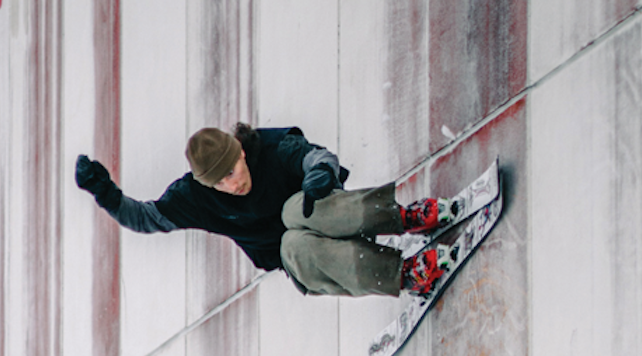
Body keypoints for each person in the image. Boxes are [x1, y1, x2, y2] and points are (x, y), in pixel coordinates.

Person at [75, 122, 459, 299]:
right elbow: (143, 218)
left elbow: (315, 156)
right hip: (308, 260)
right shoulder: (194, 198)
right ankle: (405, 274)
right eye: (219, 182)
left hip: (324, 212)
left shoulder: (271, 148)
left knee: (296, 209)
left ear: (241, 151)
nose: (232, 183)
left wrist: (320, 174)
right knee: (292, 244)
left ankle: (402, 218)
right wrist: (104, 192)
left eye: (233, 170)